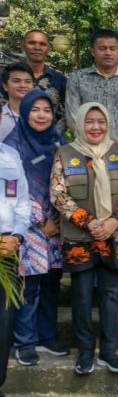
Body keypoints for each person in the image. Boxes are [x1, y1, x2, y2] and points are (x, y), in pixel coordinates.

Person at [50, 103, 118, 374]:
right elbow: (58, 195)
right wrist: (89, 223)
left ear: (108, 123)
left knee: (111, 296)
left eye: (101, 121)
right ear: (78, 123)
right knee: (83, 297)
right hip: (79, 239)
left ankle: (109, 351)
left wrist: (112, 221)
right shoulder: (65, 153)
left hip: (114, 235)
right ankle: (85, 352)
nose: (96, 127)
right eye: (89, 121)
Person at [5, 91, 67, 367]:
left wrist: (61, 219)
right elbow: (13, 192)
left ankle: (47, 335)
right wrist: (42, 222)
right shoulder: (12, 145)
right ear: (25, 112)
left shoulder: (58, 141)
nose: (41, 115)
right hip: (28, 227)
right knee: (29, 285)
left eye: (46, 110)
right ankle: (24, 342)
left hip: (58, 227)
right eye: (35, 110)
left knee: (51, 283)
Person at [65, 29, 118, 142]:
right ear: (92, 51)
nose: (108, 53)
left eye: (112, 48)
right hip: (87, 149)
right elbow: (72, 116)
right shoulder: (78, 78)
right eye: (102, 48)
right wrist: (90, 142)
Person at [0, 141, 30, 395]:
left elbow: (22, 201)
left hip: (8, 247)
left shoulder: (11, 155)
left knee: (4, 321)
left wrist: (17, 236)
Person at [0, 31, 67, 134]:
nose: (37, 47)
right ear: (23, 45)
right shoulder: (9, 76)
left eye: (42, 44)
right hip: (10, 139)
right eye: (32, 43)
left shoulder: (59, 79)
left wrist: (51, 140)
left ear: (48, 49)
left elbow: (64, 114)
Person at [0, 63, 34, 141]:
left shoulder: (43, 116)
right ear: (5, 86)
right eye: (16, 81)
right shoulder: (1, 117)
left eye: (28, 82)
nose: (23, 85)